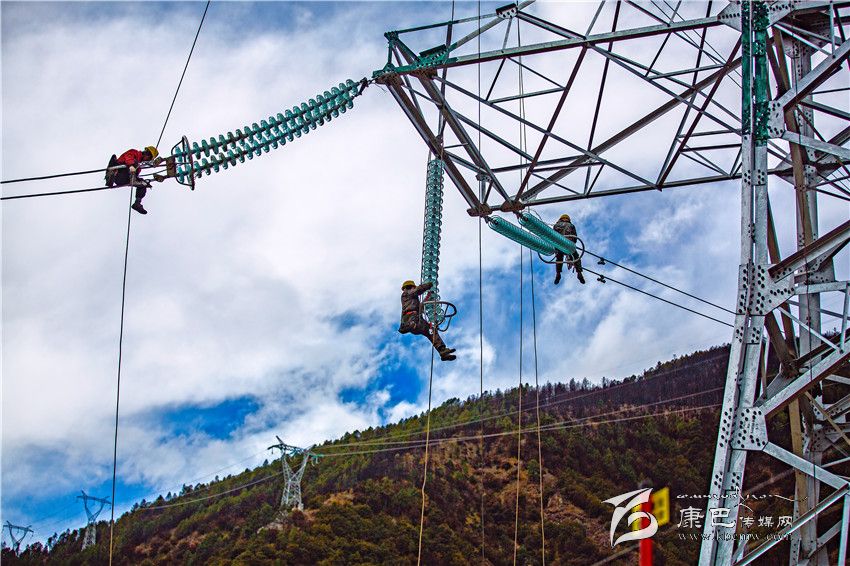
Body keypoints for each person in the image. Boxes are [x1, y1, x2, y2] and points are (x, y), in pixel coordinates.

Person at [398, 280, 456, 361]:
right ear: (410, 287)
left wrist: (428, 296)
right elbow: (419, 290)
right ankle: (409, 326)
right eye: (414, 287)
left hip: (417, 321)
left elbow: (421, 306)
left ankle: (442, 351)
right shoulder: (407, 293)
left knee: (431, 330)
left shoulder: (412, 299)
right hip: (411, 319)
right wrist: (429, 284)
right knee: (428, 329)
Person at [105, 146, 160, 214]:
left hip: (123, 179)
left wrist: (141, 182)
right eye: (148, 159)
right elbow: (128, 157)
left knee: (143, 183)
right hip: (119, 173)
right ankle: (111, 175)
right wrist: (131, 166)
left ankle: (137, 203)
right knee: (135, 163)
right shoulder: (134, 153)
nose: (147, 161)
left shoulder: (138, 167)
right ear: (147, 154)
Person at [553, 213, 585, 285]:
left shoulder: (556, 225)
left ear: (560, 219)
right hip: (568, 244)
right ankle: (579, 273)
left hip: (559, 245)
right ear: (568, 220)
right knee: (576, 257)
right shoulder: (571, 225)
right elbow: (574, 237)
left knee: (559, 259)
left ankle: (558, 274)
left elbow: (553, 236)